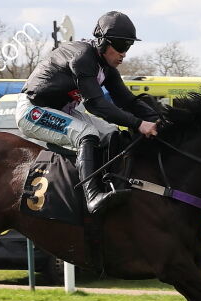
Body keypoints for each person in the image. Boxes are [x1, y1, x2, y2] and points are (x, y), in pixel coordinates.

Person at [16, 11, 160, 213]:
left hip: (59, 110)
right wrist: (138, 124)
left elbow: (126, 100)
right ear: (102, 42)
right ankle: (92, 196)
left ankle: (111, 186)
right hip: (33, 110)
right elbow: (96, 105)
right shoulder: (83, 57)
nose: (124, 53)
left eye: (128, 47)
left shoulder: (106, 67)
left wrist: (158, 119)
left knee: (111, 133)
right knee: (87, 134)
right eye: (120, 46)